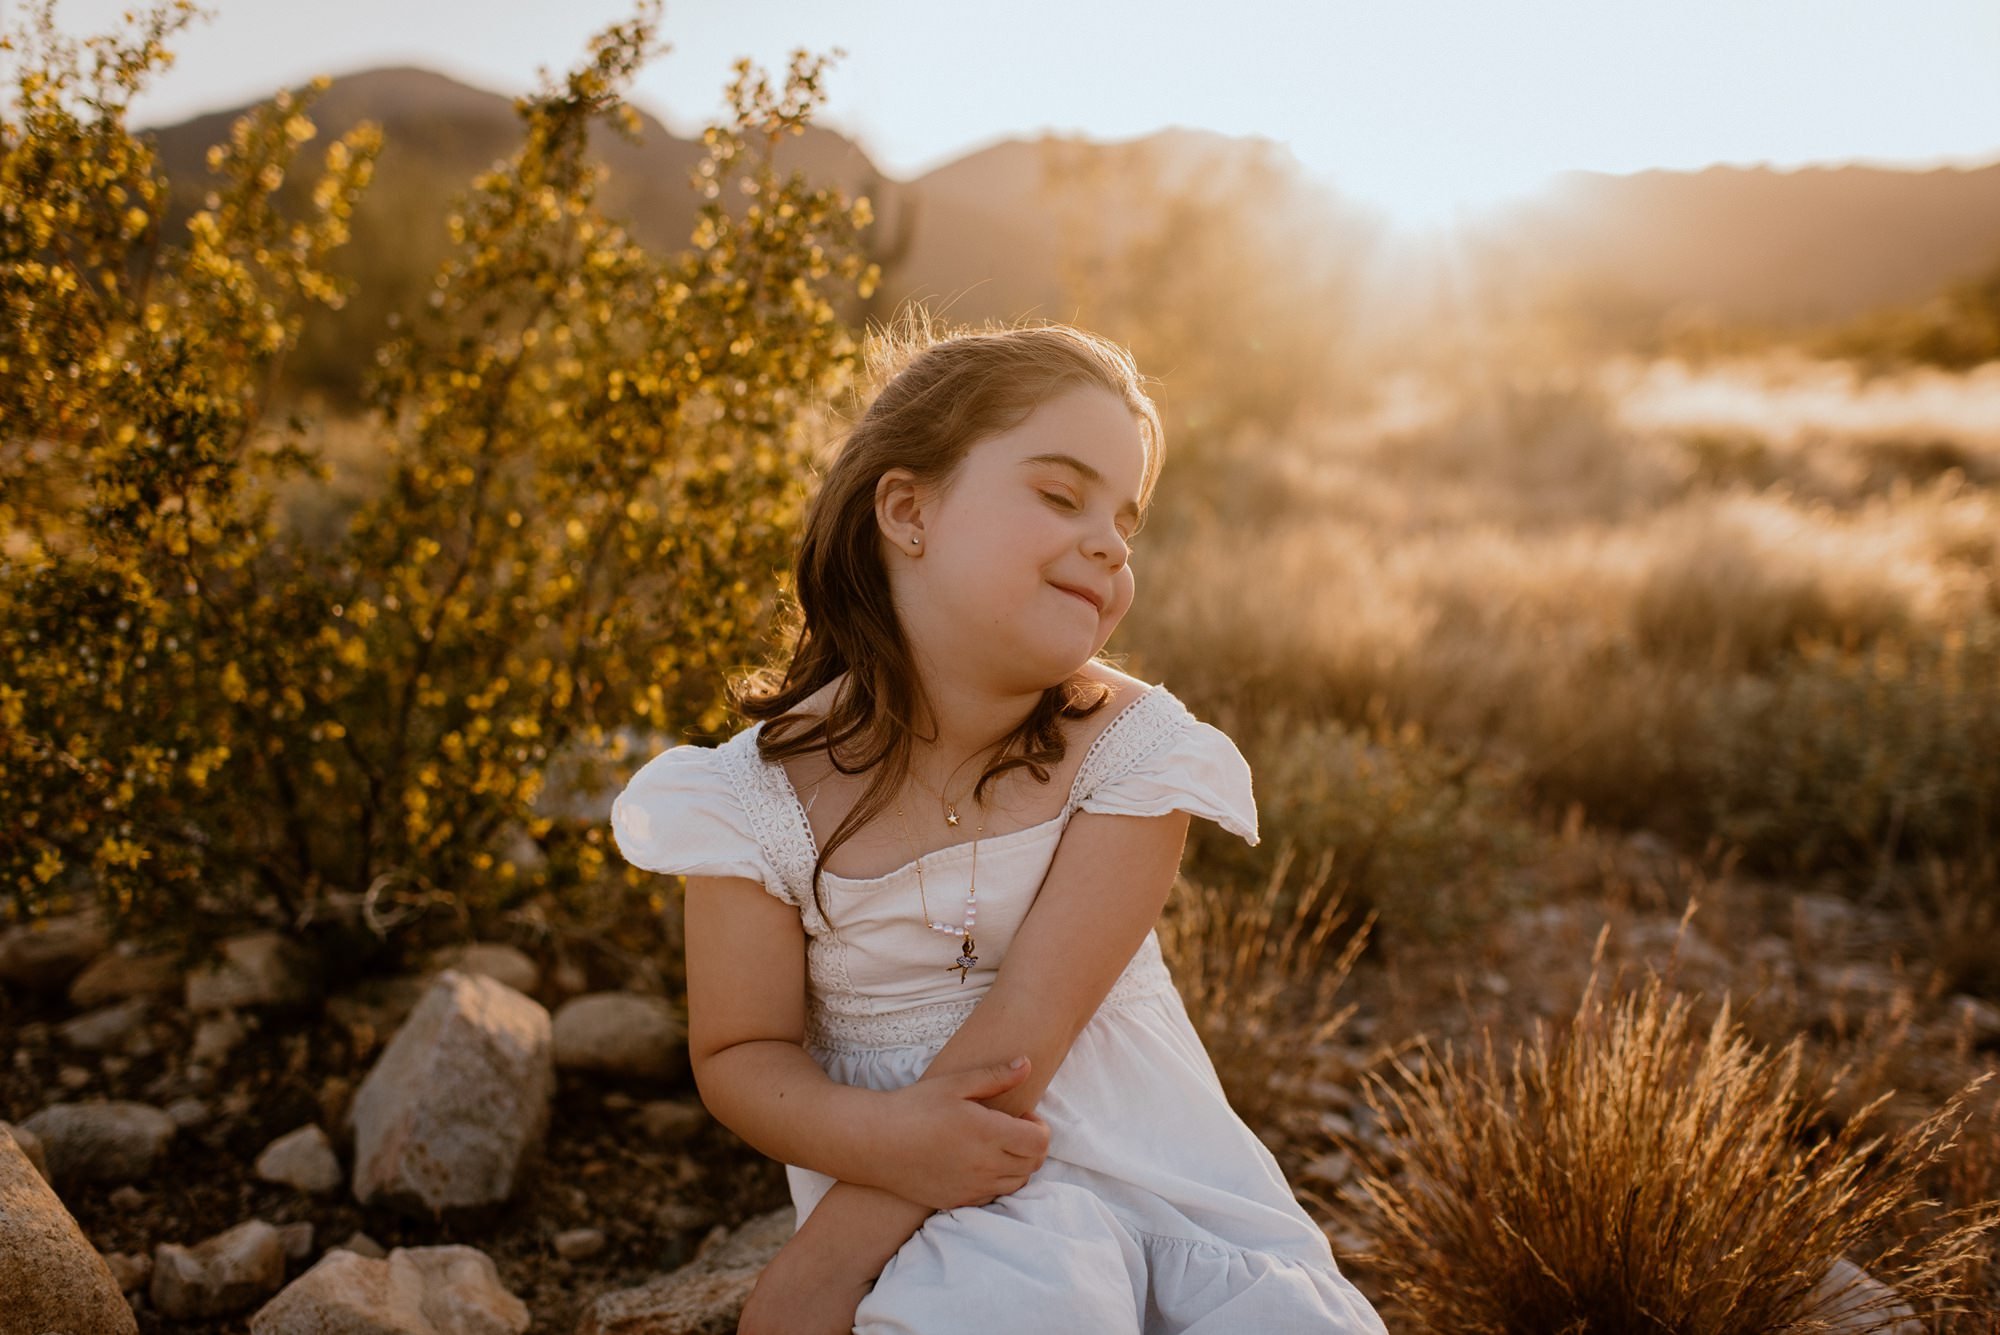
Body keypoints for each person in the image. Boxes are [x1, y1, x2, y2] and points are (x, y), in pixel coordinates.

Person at [610, 316, 1387, 1334]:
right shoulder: (751, 803)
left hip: (1163, 1186)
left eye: (1126, 520)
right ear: (907, 508)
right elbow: (740, 1054)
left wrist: (816, 1268)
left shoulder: (1131, 753)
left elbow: (1022, 1042)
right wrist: (874, 1176)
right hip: (954, 1228)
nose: (1107, 542)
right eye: (1060, 495)